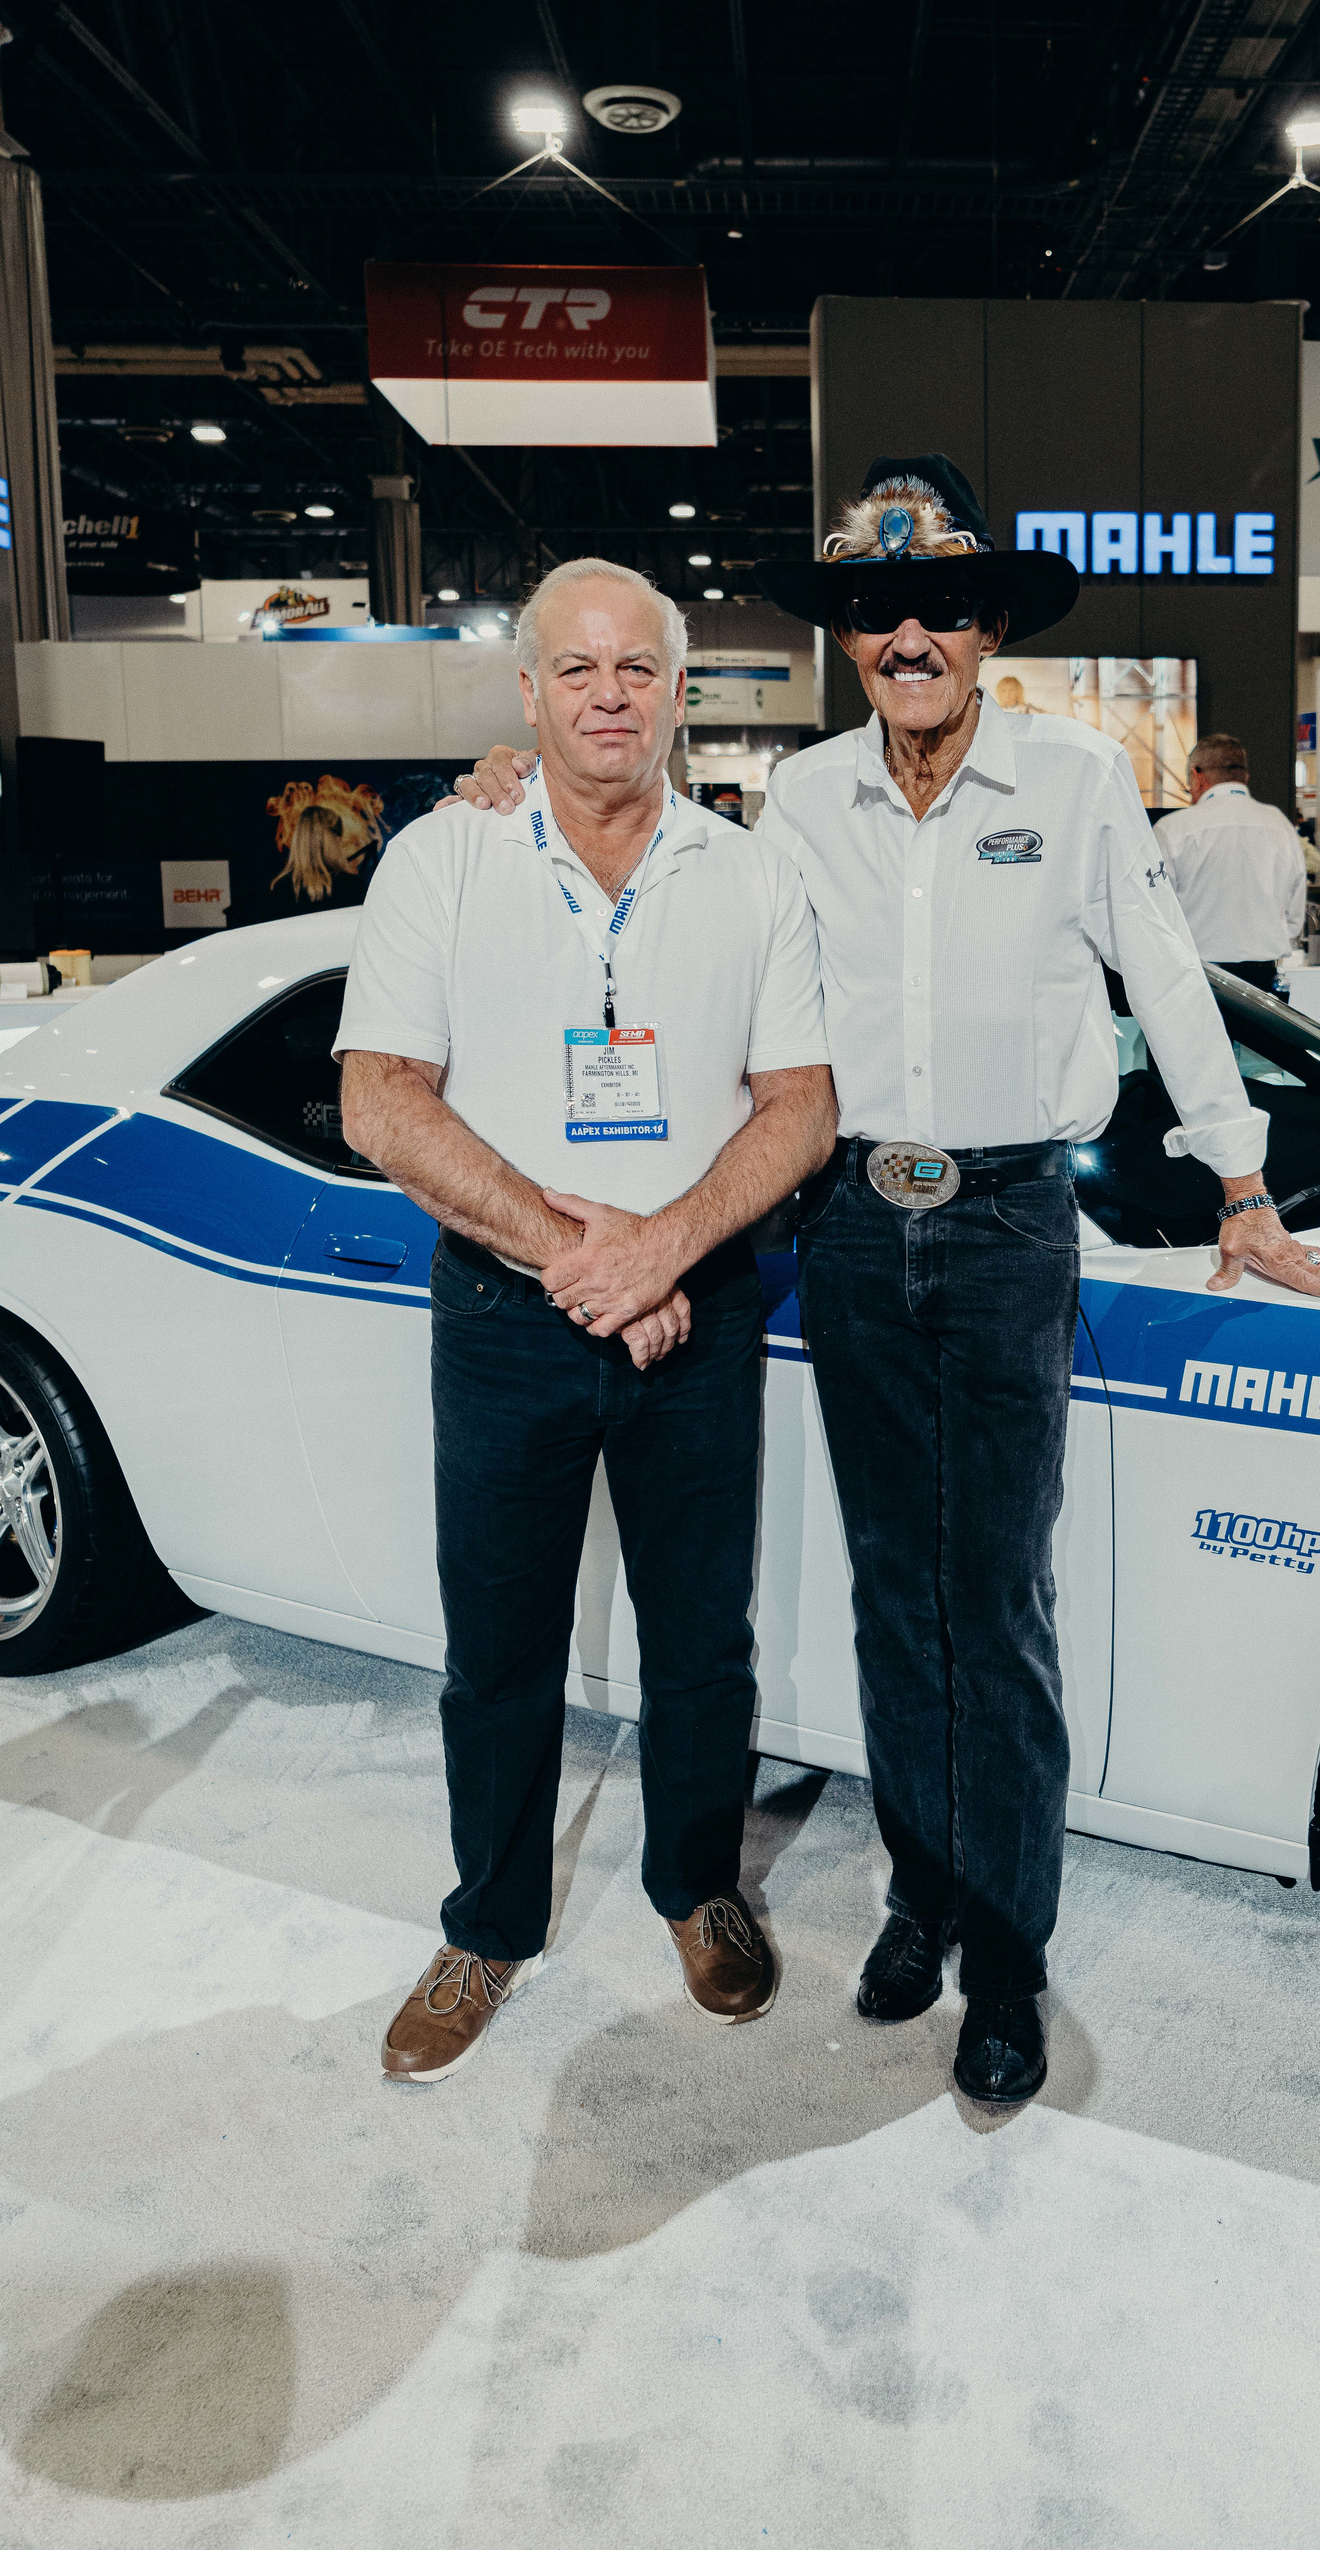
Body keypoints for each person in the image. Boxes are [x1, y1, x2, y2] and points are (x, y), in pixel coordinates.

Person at [452, 456, 1320, 2108]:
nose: (910, 636)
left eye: (941, 606)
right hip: (855, 1226)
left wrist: (1242, 1186)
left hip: (1014, 1227)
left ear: (988, 626)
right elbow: (684, 947)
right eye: (878, 612)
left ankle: (1006, 1952)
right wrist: (516, 796)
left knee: (996, 1602)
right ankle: (922, 1895)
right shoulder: (800, 801)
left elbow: (1170, 982)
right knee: (893, 1591)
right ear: (850, 639)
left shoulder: (1077, 782)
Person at [336, 558, 837, 2083]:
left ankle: (697, 1885)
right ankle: (487, 1924)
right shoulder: (444, 858)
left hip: (700, 1311)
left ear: (680, 689)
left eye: (636, 668)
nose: (608, 695)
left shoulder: (750, 874)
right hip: (509, 1316)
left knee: (702, 1639)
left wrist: (667, 1249)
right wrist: (584, 1259)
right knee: (498, 1646)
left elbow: (801, 1106)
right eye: (577, 668)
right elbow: (380, 1101)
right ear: (530, 690)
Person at [1151, 732, 1309, 993]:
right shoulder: (1279, 825)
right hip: (1264, 978)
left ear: (1197, 775)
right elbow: (1295, 912)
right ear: (1245, 777)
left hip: (1196, 977)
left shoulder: (1173, 829)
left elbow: (1156, 909)